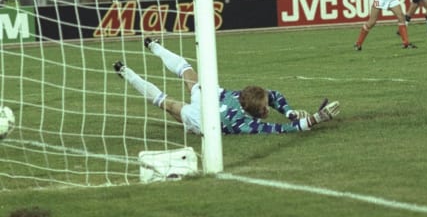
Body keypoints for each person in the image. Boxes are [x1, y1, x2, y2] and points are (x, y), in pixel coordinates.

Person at [113, 38, 340, 134]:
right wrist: (314, 119)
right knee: (166, 102)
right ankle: (127, 72)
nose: (267, 110)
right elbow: (278, 129)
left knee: (185, 70)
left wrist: (289, 111)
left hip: (214, 96)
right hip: (205, 117)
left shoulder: (243, 96)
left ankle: (150, 50)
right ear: (253, 112)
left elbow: (274, 95)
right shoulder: (241, 123)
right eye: (264, 109)